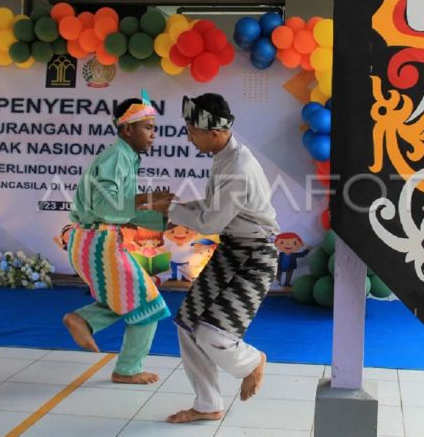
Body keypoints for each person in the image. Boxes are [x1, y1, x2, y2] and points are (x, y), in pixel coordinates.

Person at [165, 93, 280, 424]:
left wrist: (172, 210)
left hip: (255, 256)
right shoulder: (224, 157)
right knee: (187, 324)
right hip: (233, 250)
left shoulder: (238, 168)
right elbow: (214, 207)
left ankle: (252, 361)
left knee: (213, 334)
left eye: (191, 130)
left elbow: (212, 222)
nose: (188, 136)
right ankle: (207, 404)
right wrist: (176, 208)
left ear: (213, 133)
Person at [62, 93, 175, 385]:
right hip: (97, 243)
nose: (154, 134)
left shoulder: (125, 157)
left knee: (128, 298)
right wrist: (149, 201)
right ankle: (127, 369)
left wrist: (162, 217)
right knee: (149, 305)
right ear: (127, 129)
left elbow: (121, 211)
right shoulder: (116, 157)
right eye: (148, 127)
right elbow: (106, 208)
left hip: (96, 241)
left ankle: (83, 320)